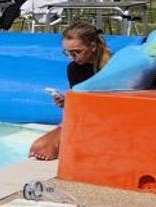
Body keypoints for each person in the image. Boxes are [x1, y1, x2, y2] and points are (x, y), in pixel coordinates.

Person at [28, 22, 112, 160]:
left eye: (77, 52)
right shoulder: (74, 68)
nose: (72, 57)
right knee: (39, 146)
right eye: (68, 52)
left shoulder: (112, 67)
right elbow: (81, 103)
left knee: (42, 146)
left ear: (93, 46)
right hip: (86, 117)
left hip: (108, 117)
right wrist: (67, 102)